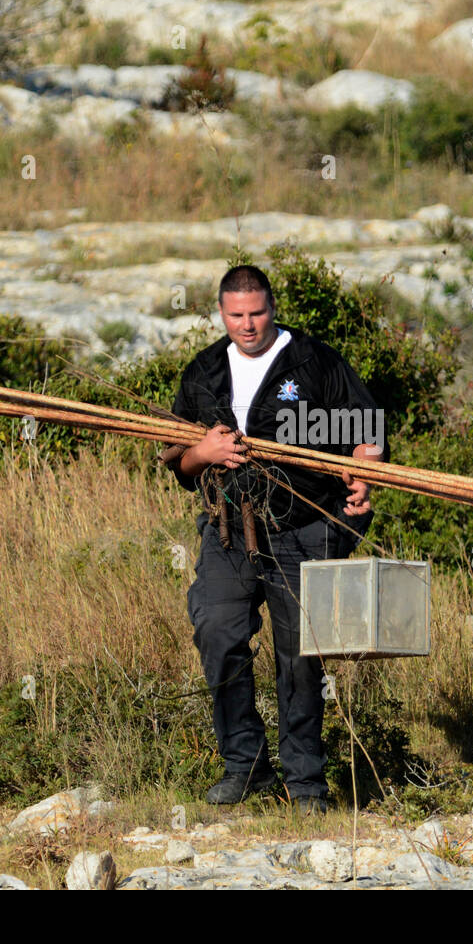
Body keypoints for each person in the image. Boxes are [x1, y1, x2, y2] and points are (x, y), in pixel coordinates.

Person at [164, 264, 387, 814]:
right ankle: (245, 766)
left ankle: (306, 782)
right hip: (228, 528)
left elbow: (368, 431)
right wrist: (203, 453)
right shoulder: (205, 369)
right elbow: (176, 457)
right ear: (221, 312)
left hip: (304, 526)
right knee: (216, 629)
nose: (247, 324)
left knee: (300, 654)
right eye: (236, 314)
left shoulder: (314, 361)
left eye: (257, 312)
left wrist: (363, 475)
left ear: (272, 307)